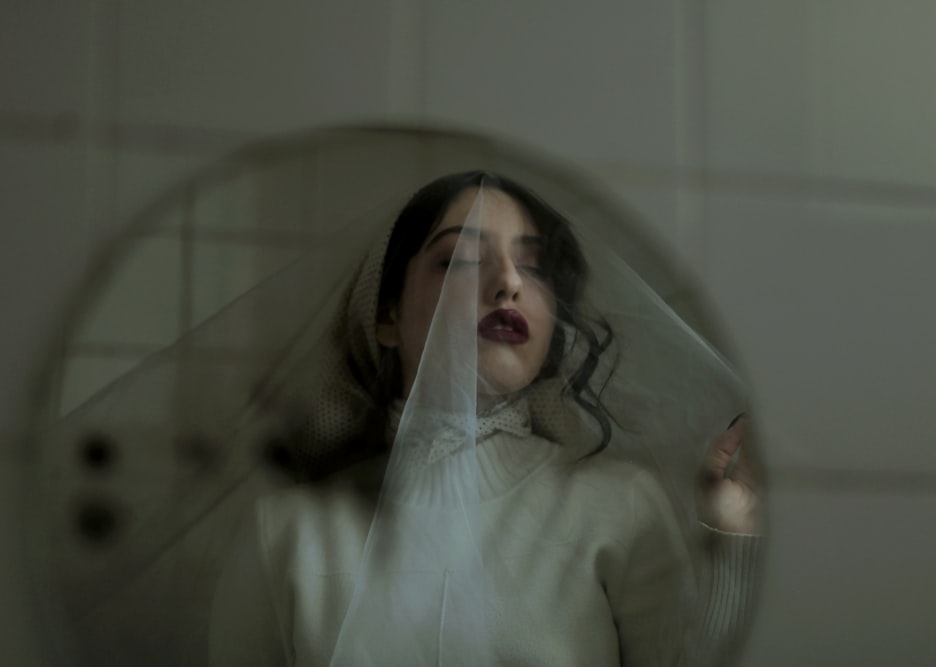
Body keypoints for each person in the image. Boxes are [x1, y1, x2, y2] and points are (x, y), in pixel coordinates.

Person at [209, 171, 762, 666]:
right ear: (385, 313)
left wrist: (732, 536)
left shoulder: (620, 506)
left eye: (536, 266)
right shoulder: (285, 532)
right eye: (460, 260)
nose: (508, 284)